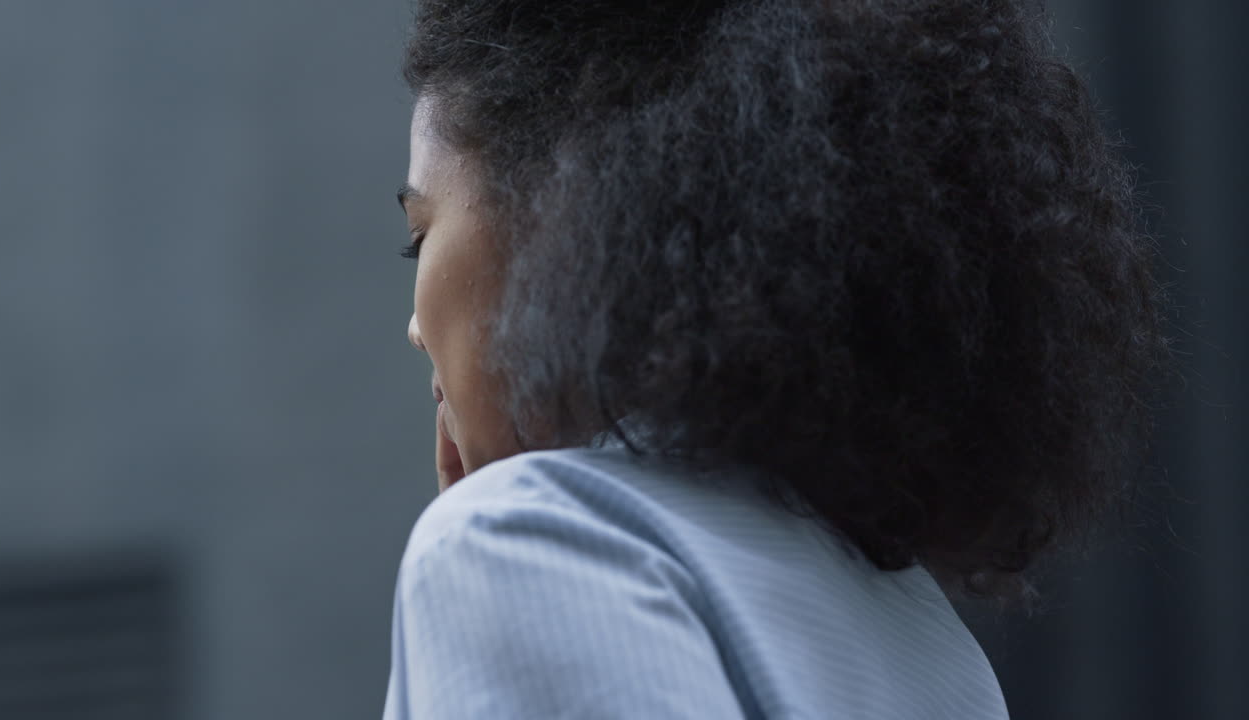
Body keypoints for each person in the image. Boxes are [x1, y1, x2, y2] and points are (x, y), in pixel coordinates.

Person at [383, 0, 1174, 717]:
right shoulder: (915, 626)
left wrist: (495, 516)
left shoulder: (522, 548)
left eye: (422, 233)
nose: (417, 327)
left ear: (556, 211)